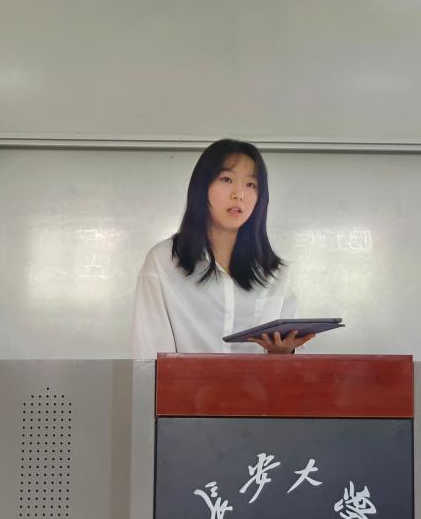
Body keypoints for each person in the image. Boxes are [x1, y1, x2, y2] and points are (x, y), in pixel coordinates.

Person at [131, 139, 315, 359]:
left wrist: (283, 353)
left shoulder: (275, 272)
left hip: (258, 383)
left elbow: (296, 359)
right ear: (202, 187)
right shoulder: (164, 262)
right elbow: (149, 356)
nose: (239, 194)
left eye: (251, 184)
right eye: (227, 179)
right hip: (183, 383)